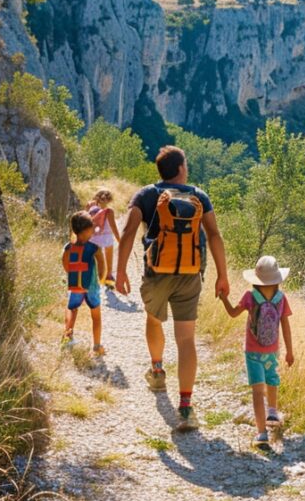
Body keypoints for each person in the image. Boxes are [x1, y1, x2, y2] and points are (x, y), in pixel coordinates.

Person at [115, 145, 230, 432]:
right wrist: (222, 275)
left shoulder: (145, 194)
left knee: (154, 319)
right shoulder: (198, 196)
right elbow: (214, 235)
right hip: (191, 274)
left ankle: (156, 370)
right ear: (181, 169)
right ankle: (187, 406)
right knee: (186, 339)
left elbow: (129, 231)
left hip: (156, 273)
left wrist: (118, 271)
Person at [218, 255, 294, 451]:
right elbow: (285, 325)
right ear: (277, 279)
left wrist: (224, 298)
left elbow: (233, 313)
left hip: (252, 352)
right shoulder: (281, 298)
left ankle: (261, 434)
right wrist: (289, 352)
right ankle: (272, 412)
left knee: (257, 392)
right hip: (272, 351)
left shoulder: (250, 297)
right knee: (273, 380)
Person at [62, 211, 106, 355]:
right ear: (86, 230)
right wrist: (101, 279)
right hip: (92, 287)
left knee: (72, 310)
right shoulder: (94, 247)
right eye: (92, 227)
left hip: (75, 286)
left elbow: (65, 263)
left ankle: (67, 338)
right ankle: (97, 346)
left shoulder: (68, 247)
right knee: (96, 316)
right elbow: (102, 265)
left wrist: (71, 273)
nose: (93, 230)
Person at [86, 189, 120, 287]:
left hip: (93, 238)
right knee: (108, 258)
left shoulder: (90, 207)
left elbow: (84, 220)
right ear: (109, 200)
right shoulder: (109, 211)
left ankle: (94, 278)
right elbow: (114, 228)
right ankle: (108, 277)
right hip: (107, 238)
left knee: (96, 260)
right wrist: (120, 241)